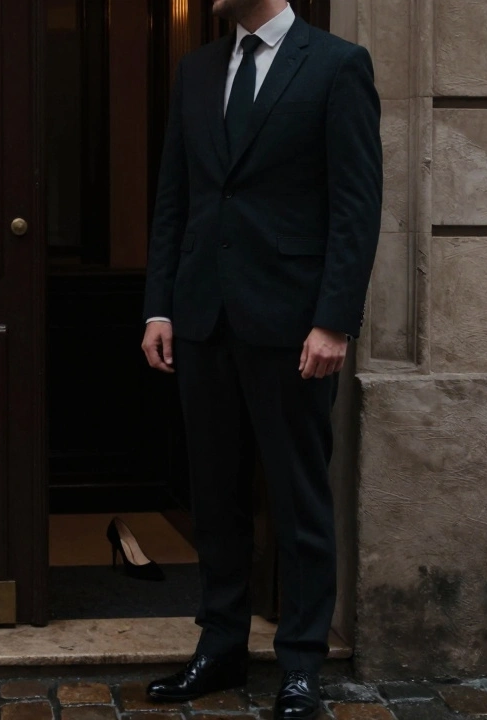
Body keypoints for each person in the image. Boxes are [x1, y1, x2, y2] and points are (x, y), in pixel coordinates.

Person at [139, 0, 382, 717]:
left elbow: (356, 204)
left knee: (299, 499)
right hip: (203, 320)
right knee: (214, 498)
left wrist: (334, 322)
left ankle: (301, 664)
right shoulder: (197, 69)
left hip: (293, 328)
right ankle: (219, 648)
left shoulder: (338, 66)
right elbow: (174, 198)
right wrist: (160, 306)